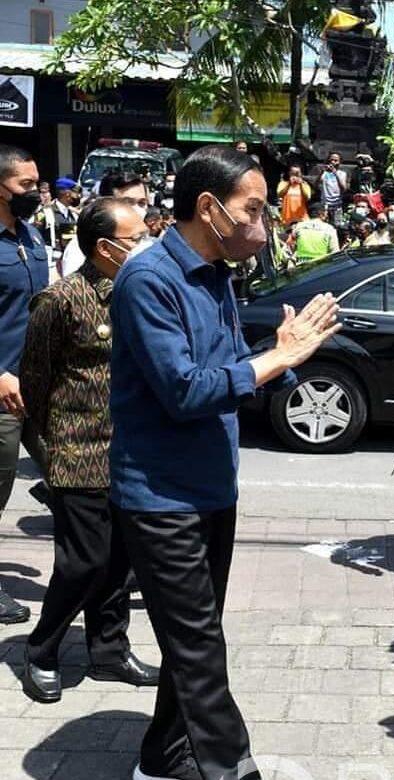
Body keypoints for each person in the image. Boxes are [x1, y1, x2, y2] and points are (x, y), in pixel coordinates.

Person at [109, 146, 340, 780]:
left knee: (195, 635)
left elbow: (232, 368)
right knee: (200, 647)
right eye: (254, 211)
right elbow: (184, 390)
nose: (264, 228)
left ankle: (162, 756)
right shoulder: (147, 279)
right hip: (159, 499)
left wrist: (278, 361)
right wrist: (279, 359)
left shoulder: (217, 277)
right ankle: (230, 766)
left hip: (212, 487)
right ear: (208, 209)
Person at [20, 197, 159, 703]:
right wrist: (55, 448)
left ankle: (109, 651)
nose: (146, 244)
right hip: (79, 453)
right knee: (83, 562)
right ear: (105, 248)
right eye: (136, 237)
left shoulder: (140, 294)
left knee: (120, 562)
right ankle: (41, 651)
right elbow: (35, 381)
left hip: (132, 453)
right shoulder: (62, 301)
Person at [0, 145, 48, 624]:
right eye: (25, 186)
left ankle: (97, 563)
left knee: (71, 473)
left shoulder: (32, 238)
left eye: (36, 184)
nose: (35, 193)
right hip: (1, 391)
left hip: (39, 387)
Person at [61, 172, 149, 278]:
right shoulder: (79, 250)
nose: (136, 210)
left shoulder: (149, 243)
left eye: (142, 203)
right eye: (127, 203)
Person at [318, 151, 347, 226]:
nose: (333, 162)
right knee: (323, 224)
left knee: (337, 225)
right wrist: (321, 173)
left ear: (340, 162)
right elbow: (316, 184)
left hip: (337, 204)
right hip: (325, 204)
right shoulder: (324, 173)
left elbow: (344, 188)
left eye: (335, 160)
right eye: (331, 160)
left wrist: (335, 174)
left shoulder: (342, 174)